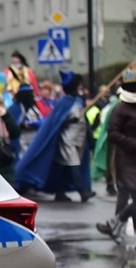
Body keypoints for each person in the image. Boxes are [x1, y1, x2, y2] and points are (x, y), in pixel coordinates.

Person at [14, 71, 94, 202]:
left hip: (78, 139)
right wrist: (70, 121)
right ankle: (83, 191)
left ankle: (60, 192)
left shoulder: (78, 101)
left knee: (64, 167)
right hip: (66, 140)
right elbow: (57, 121)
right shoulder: (65, 102)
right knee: (72, 164)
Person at [97, 62, 136, 248]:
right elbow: (113, 133)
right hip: (127, 160)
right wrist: (135, 144)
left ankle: (115, 223)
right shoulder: (120, 109)